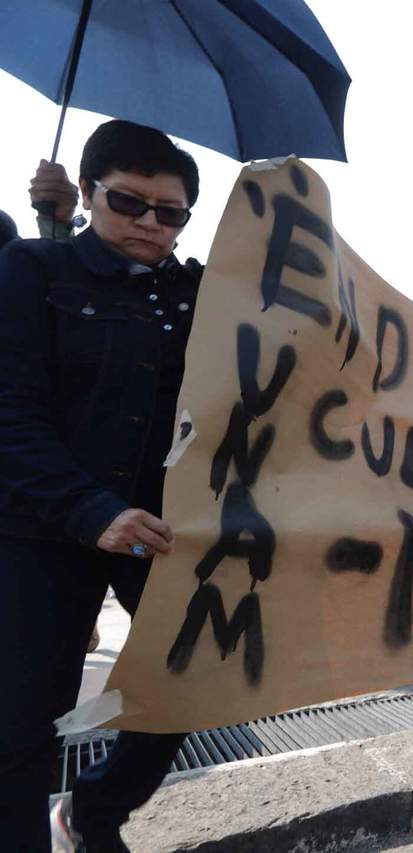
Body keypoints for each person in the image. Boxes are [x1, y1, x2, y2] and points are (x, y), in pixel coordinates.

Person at [0, 120, 202, 852]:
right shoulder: (29, 269)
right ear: (88, 194)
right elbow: (9, 412)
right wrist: (90, 508)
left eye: (170, 211)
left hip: (160, 535)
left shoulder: (208, 295)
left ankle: (92, 813)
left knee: (192, 684)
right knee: (22, 727)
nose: (150, 223)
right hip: (40, 528)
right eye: (129, 202)